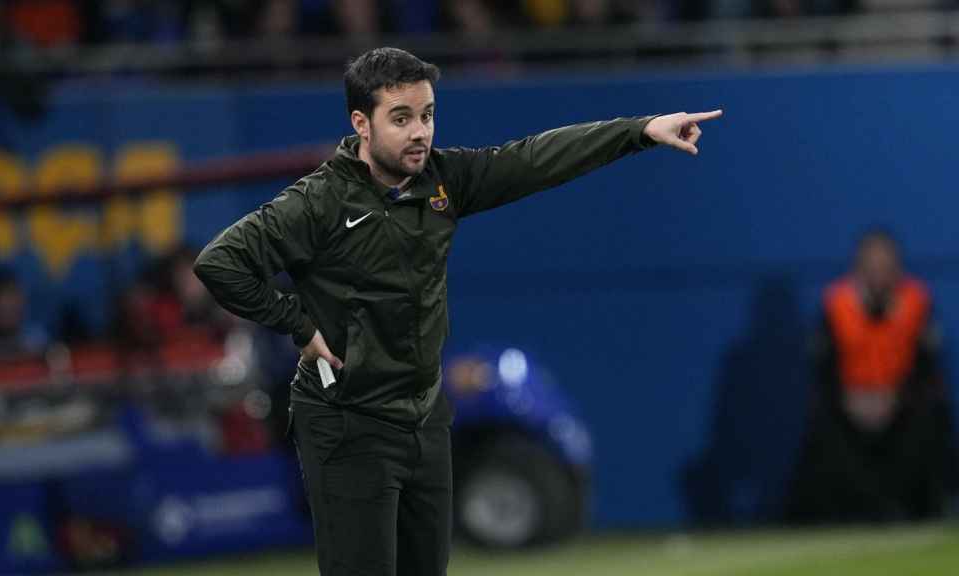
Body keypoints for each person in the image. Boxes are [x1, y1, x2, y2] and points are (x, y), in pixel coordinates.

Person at [193, 46, 721, 575]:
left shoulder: (444, 180)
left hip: (423, 416)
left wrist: (640, 129)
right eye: (401, 118)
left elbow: (535, 159)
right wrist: (297, 324)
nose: (420, 131)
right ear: (363, 123)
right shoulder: (317, 203)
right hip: (347, 423)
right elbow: (220, 263)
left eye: (427, 115)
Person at [789, 230, 955, 523]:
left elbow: (926, 368)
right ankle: (831, 517)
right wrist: (850, 400)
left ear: (897, 271)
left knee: (933, 413)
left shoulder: (917, 302)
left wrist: (895, 397)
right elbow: (824, 369)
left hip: (901, 404)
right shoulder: (836, 304)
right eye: (871, 267)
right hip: (849, 406)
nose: (879, 275)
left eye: (886, 268)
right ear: (858, 270)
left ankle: (927, 510)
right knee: (820, 422)